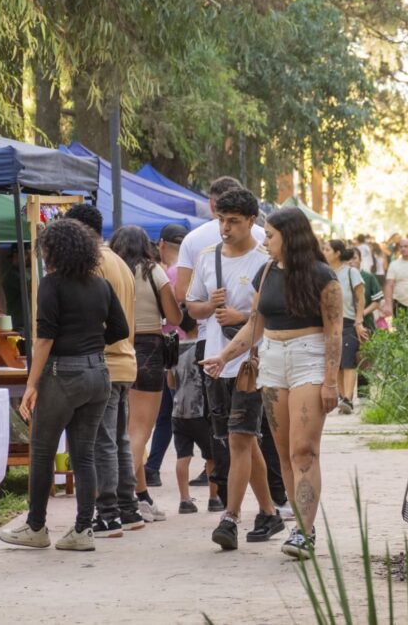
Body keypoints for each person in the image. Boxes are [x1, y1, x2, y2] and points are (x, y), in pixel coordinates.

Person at [202, 207, 342, 560]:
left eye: (271, 235)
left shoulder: (324, 276)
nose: (265, 241)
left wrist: (330, 381)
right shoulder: (266, 272)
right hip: (273, 358)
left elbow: (335, 332)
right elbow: (255, 324)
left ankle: (305, 531)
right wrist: (225, 356)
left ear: (290, 238)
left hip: (309, 356)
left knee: (303, 451)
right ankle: (300, 525)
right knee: (282, 453)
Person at [0, 219, 129, 551]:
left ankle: (36, 526)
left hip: (63, 373)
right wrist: (90, 341)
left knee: (42, 451)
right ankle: (83, 530)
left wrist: (31, 384)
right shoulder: (100, 285)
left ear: (53, 251)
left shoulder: (51, 285)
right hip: (99, 373)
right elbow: (120, 328)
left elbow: (45, 338)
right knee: (83, 455)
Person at [187, 188, 282, 550]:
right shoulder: (209, 257)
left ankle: (230, 518)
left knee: (241, 438)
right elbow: (191, 307)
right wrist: (208, 306)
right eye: (221, 220)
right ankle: (269, 512)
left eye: (233, 222)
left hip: (252, 363)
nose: (225, 228)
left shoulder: (265, 260)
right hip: (215, 360)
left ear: (251, 222)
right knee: (239, 441)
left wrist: (242, 316)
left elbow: (268, 315)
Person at [65, 203, 146, 535]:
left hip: (106, 362)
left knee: (103, 440)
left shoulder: (94, 264)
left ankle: (109, 511)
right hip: (125, 360)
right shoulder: (119, 262)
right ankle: (128, 508)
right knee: (119, 438)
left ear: (80, 230)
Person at [109, 225, 183, 522]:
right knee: (139, 430)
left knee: (124, 429)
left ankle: (140, 495)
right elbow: (175, 316)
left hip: (115, 349)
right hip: (149, 349)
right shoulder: (154, 272)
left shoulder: (111, 271)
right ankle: (124, 497)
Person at [144, 223, 192, 488]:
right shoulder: (185, 272)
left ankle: (153, 466)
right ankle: (152, 466)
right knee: (174, 410)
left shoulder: (164, 274)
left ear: (161, 244)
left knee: (171, 411)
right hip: (186, 345)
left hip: (168, 347)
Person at [167, 340, 217, 514]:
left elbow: (171, 383)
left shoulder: (174, 346)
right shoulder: (204, 346)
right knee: (212, 457)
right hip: (199, 410)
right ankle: (213, 498)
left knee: (183, 456)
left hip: (178, 411)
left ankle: (185, 500)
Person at [324, 239, 364, 415]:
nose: (323, 252)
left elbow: (360, 298)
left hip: (348, 321)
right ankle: (342, 397)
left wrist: (359, 321)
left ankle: (348, 398)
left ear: (337, 253)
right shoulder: (324, 273)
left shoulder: (351, 272)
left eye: (327, 249)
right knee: (337, 362)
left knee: (348, 361)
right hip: (329, 322)